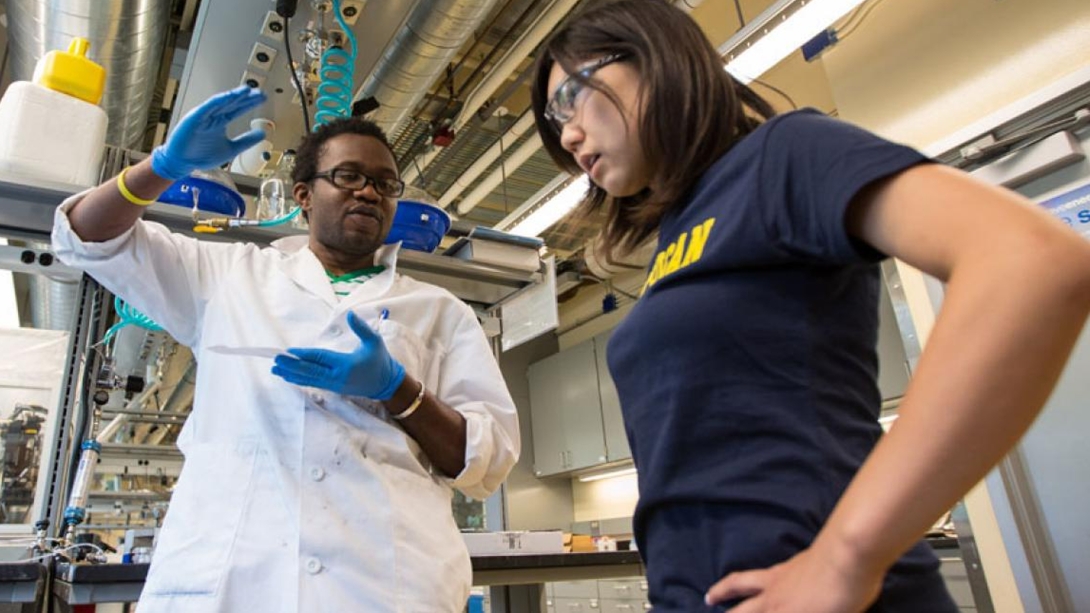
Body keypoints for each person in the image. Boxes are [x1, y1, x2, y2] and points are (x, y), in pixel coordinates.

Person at [530, 1, 1090, 611]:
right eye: (554, 123)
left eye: (570, 100)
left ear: (654, 60)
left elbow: (1029, 260)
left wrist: (848, 555)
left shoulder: (783, 156)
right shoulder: (678, 237)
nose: (567, 135)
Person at [52, 86, 520, 612]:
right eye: (348, 176)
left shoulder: (439, 310)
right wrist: (161, 167)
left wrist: (400, 392)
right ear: (303, 195)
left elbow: (489, 459)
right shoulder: (227, 275)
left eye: (385, 184)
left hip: (384, 586)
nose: (369, 193)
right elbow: (87, 237)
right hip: (231, 581)